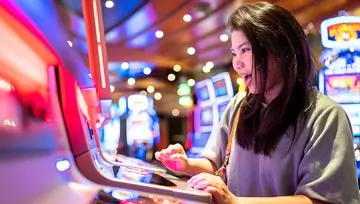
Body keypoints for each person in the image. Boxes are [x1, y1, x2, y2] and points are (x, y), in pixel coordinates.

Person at [155, 2, 360, 204]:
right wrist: (185, 164)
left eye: (245, 50)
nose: (237, 63)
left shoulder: (325, 116)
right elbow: (217, 162)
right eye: (234, 53)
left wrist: (234, 202)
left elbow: (322, 200)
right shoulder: (239, 106)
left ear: (280, 50)